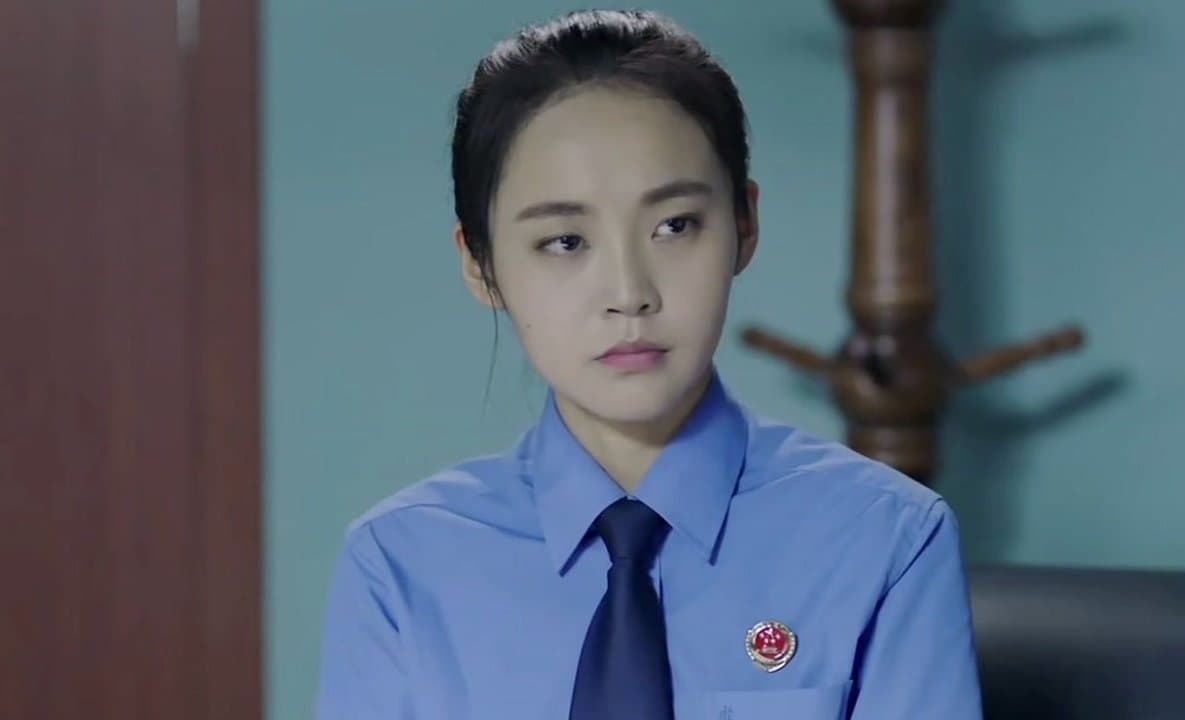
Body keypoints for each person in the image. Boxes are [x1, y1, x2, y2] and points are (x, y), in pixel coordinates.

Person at [316, 9, 982, 720]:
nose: (630, 293)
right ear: (480, 265)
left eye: (675, 226)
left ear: (744, 225)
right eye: (565, 241)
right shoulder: (400, 564)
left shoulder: (887, 539)